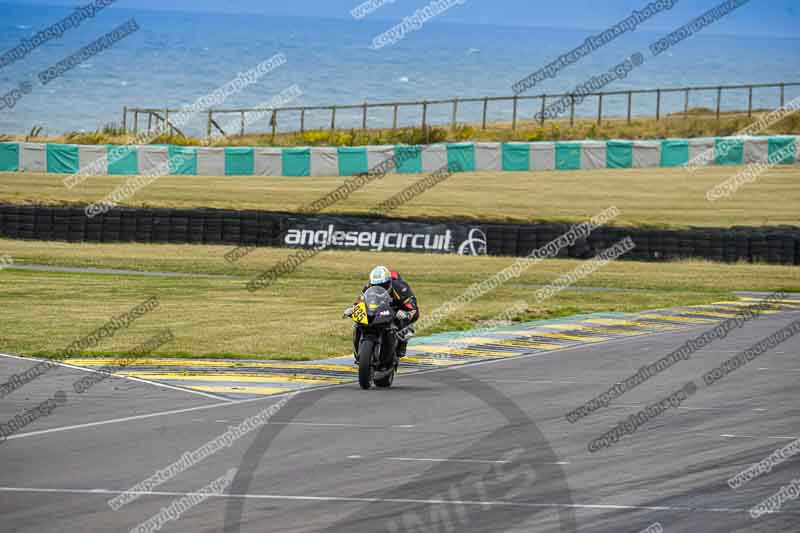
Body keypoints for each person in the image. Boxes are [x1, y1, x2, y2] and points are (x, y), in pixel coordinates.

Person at [343, 265, 419, 360]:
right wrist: (353, 309)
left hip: (396, 307)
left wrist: (407, 314)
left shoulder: (401, 288)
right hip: (377, 308)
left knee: (404, 324)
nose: (379, 288)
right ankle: (358, 350)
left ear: (389, 282)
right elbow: (360, 301)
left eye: (383, 286)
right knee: (358, 323)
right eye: (375, 286)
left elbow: (413, 309)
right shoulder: (368, 286)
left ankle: (401, 345)